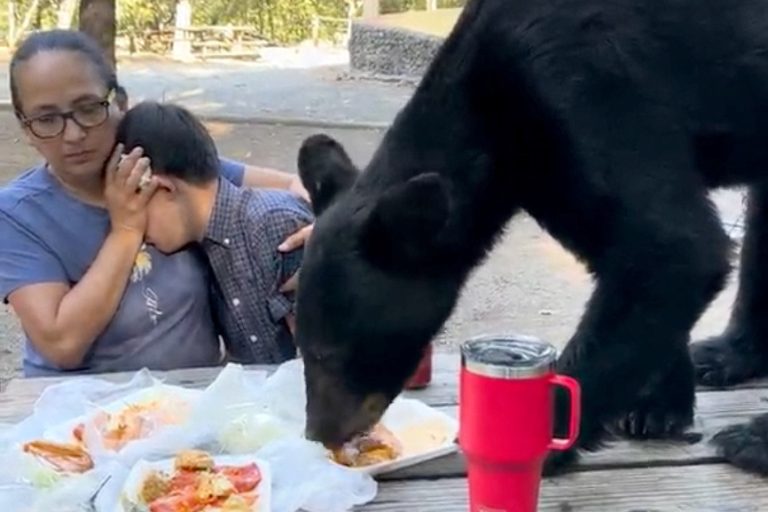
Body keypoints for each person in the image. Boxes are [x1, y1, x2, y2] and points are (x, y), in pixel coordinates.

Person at [0, 29, 311, 377]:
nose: (73, 134)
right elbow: (62, 345)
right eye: (46, 119)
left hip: (194, 399)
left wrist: (329, 226)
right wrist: (126, 231)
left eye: (88, 109)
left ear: (119, 102)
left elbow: (294, 184)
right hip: (81, 413)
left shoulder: (159, 163)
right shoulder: (17, 215)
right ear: (26, 129)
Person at [116, 101, 313, 363]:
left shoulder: (274, 225)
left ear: (163, 188)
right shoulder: (205, 246)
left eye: (134, 208)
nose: (136, 230)